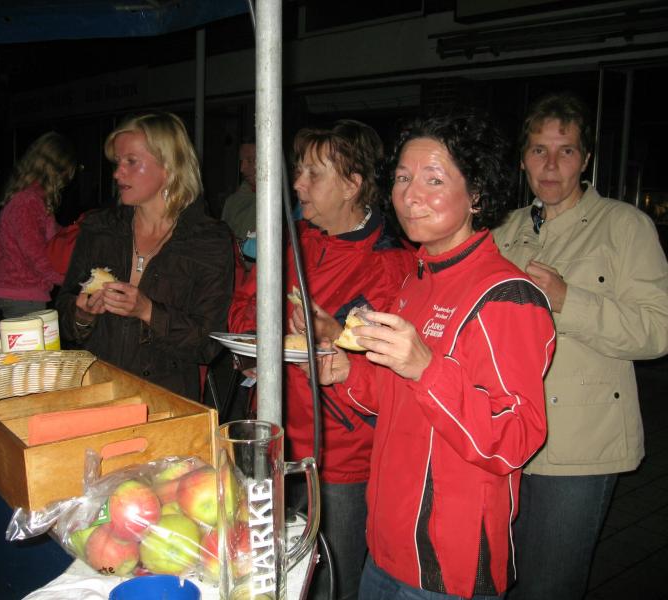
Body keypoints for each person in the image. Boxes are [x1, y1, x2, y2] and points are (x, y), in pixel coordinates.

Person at [313, 110, 556, 599]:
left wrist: (426, 367)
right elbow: (397, 398)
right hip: (386, 546)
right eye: (403, 178)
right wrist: (347, 373)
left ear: (477, 195)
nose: (410, 195)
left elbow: (515, 437)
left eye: (434, 179)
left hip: (446, 567)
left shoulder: (506, 295)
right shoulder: (416, 279)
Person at [492, 92, 668, 600]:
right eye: (539, 150)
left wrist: (568, 299)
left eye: (565, 151)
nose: (551, 165)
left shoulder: (625, 226)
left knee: (548, 587)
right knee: (501, 580)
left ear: (585, 159)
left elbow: (658, 331)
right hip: (505, 439)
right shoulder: (504, 230)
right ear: (523, 159)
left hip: (580, 448)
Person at [229, 119, 413, 600]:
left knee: (333, 583)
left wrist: (337, 338)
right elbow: (242, 308)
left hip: (339, 457)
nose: (297, 184)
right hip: (270, 438)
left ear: (352, 185)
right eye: (299, 171)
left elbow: (392, 374)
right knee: (265, 574)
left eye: (313, 174)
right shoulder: (290, 240)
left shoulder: (391, 264)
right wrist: (258, 337)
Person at [56, 113, 234, 400]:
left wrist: (148, 312)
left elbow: (209, 344)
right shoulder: (100, 228)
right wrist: (82, 315)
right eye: (117, 162)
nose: (117, 173)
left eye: (131, 161)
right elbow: (64, 314)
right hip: (97, 391)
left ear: (169, 166)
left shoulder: (208, 240)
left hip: (165, 400)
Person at [0, 131, 77, 318]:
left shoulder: (34, 199)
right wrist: (72, 280)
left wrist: (79, 233)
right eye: (65, 174)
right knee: (31, 338)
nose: (65, 182)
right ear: (54, 170)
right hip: (20, 291)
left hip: (23, 291)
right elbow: (37, 256)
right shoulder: (27, 202)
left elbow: (56, 237)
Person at [220, 139, 257, 246]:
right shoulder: (232, 202)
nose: (242, 169)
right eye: (241, 161)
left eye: (250, 160)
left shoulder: (280, 202)